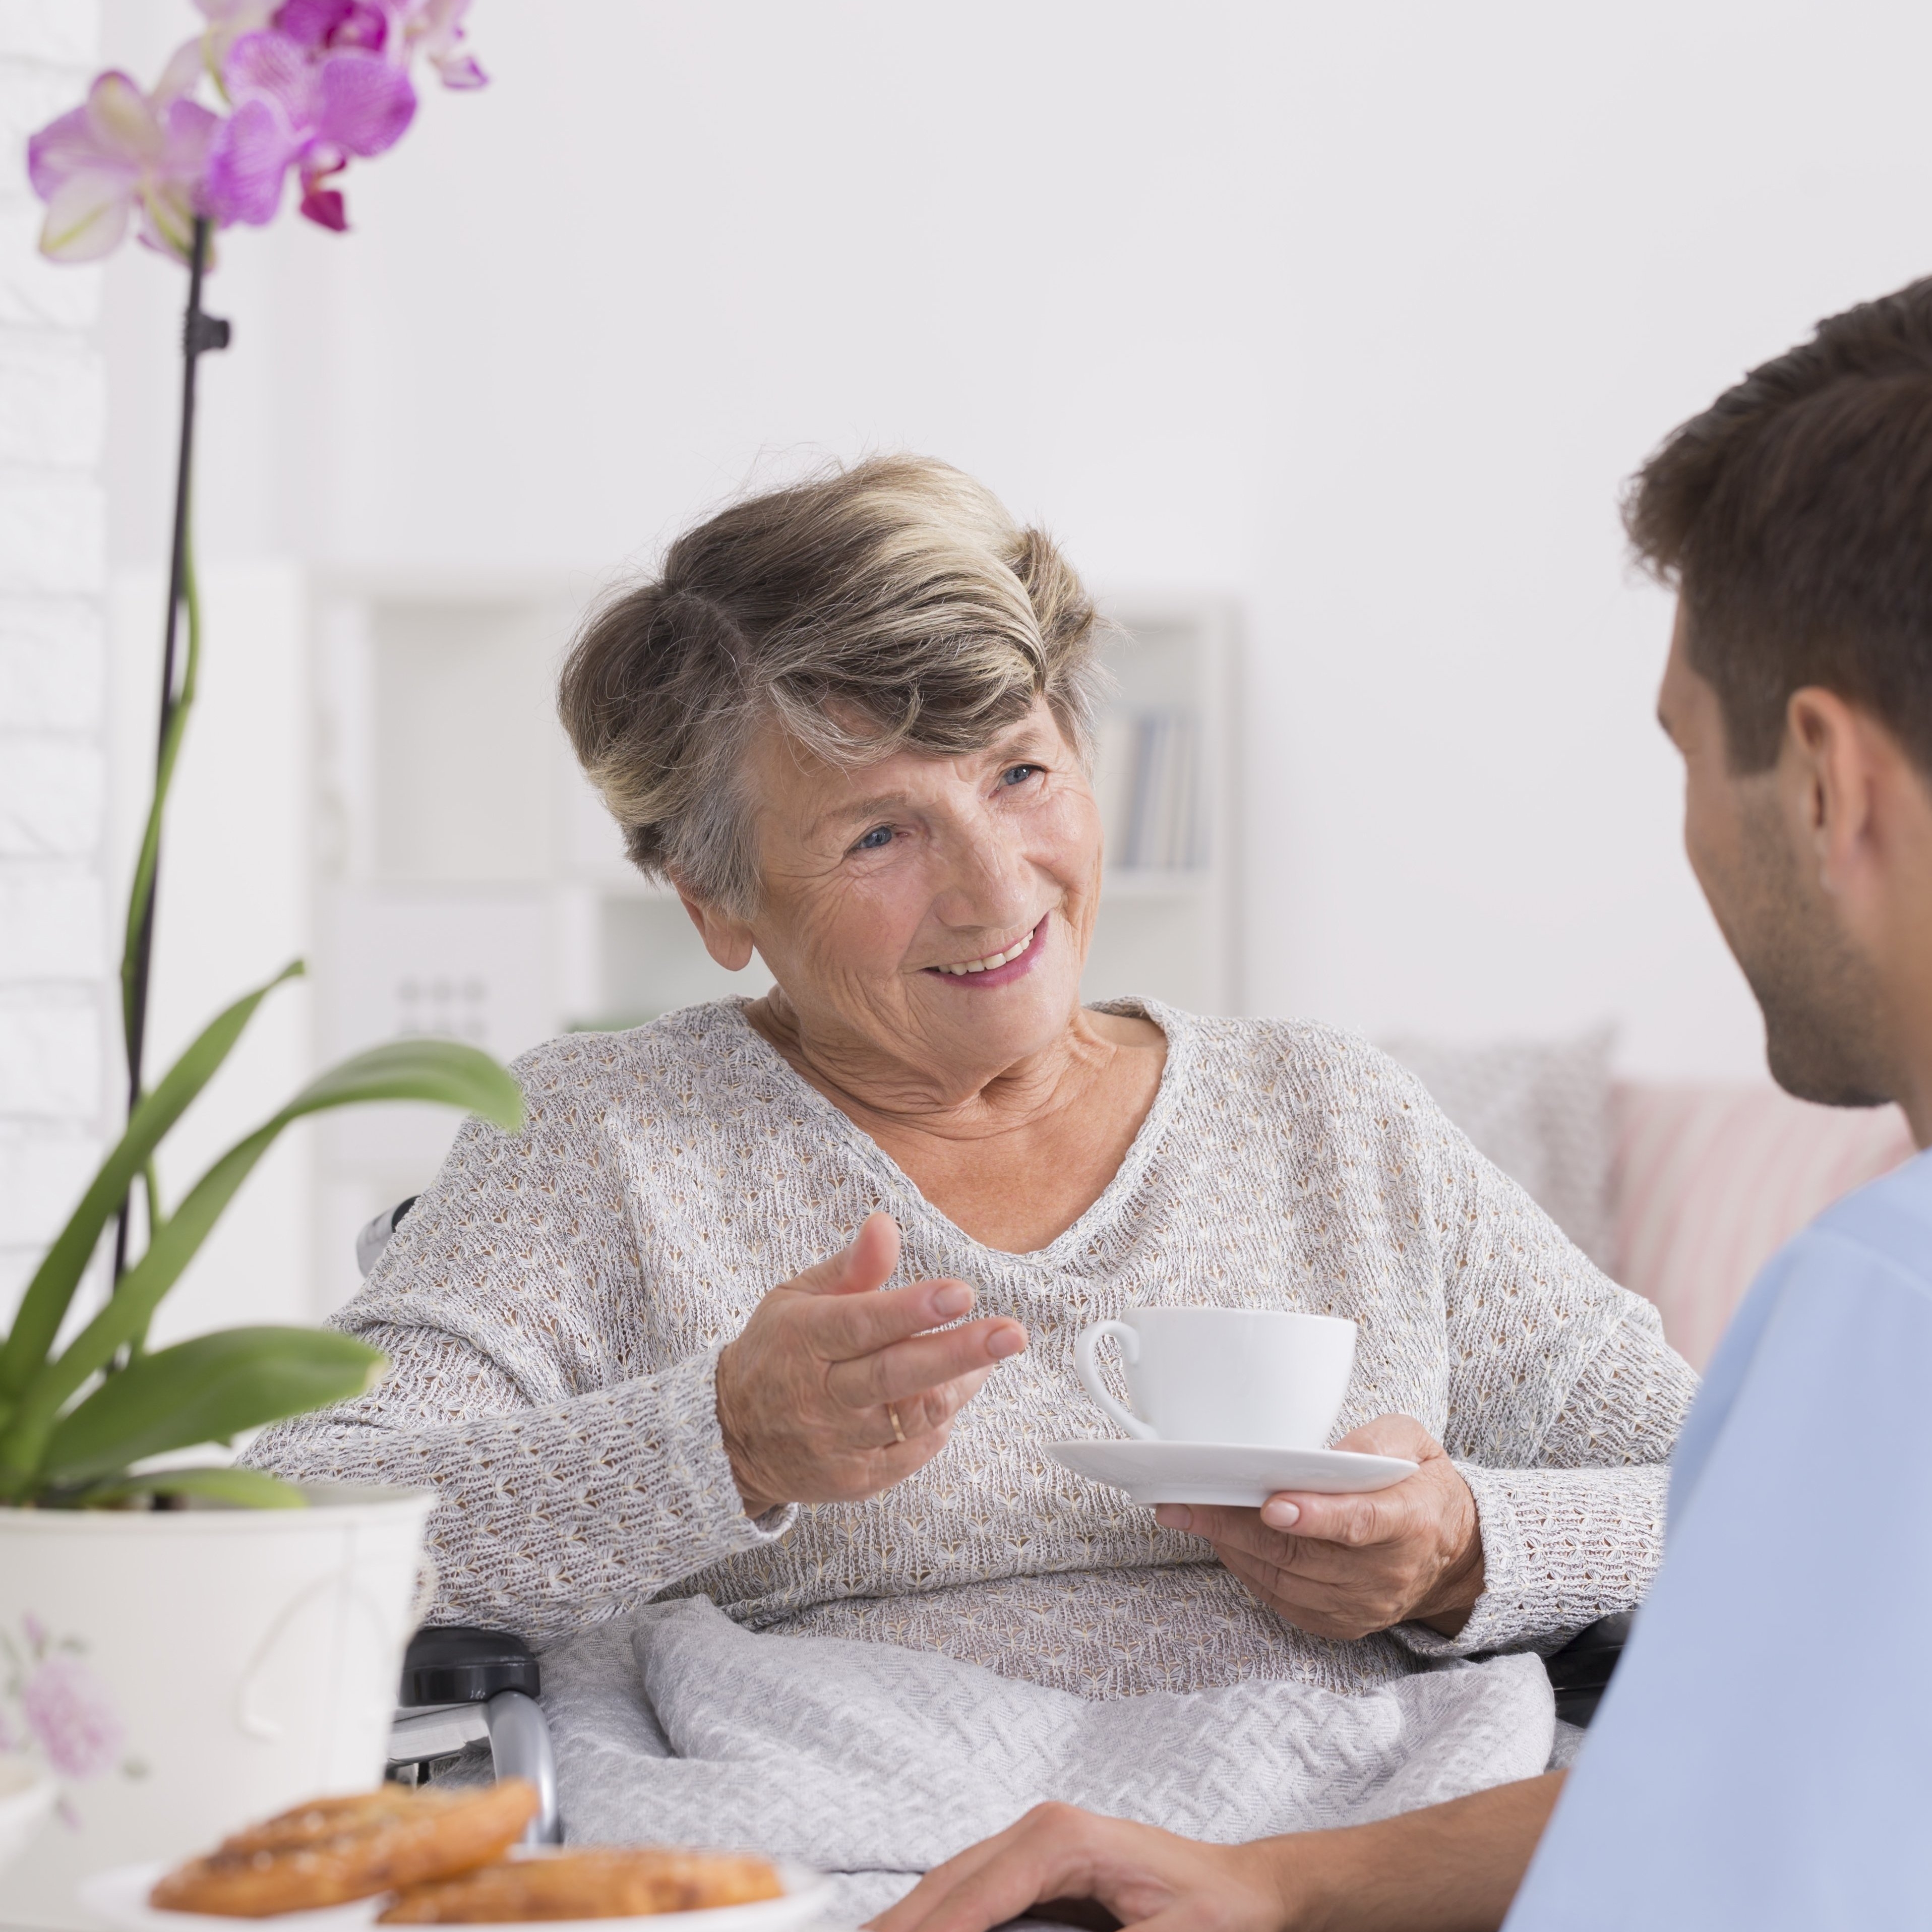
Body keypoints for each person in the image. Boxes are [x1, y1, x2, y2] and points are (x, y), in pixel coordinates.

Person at [252, 457, 1684, 1725]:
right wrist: (719, 1443)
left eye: (1019, 773)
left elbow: (1750, 1483)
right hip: (844, 1854)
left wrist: (1462, 1549)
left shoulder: (1328, 1114)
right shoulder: (603, 1138)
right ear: (715, 901)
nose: (999, 892)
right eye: (881, 833)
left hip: (1343, 1858)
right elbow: (297, 1523)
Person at [871, 282, 1932, 1932]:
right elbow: (1754, 1791)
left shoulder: (1884, 1317)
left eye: (1682, 754)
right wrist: (1280, 1885)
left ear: (1822, 780)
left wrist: (1456, 1545)